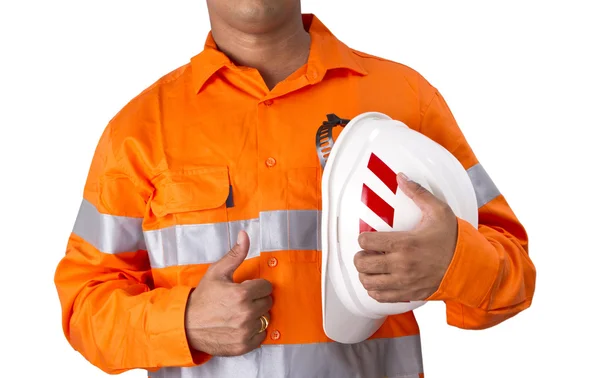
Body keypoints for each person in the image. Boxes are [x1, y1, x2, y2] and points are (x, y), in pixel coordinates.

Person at [54, 1, 536, 377]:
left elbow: (514, 274)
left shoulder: (407, 101)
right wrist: (180, 322)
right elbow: (84, 308)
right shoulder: (139, 129)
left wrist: (452, 261)